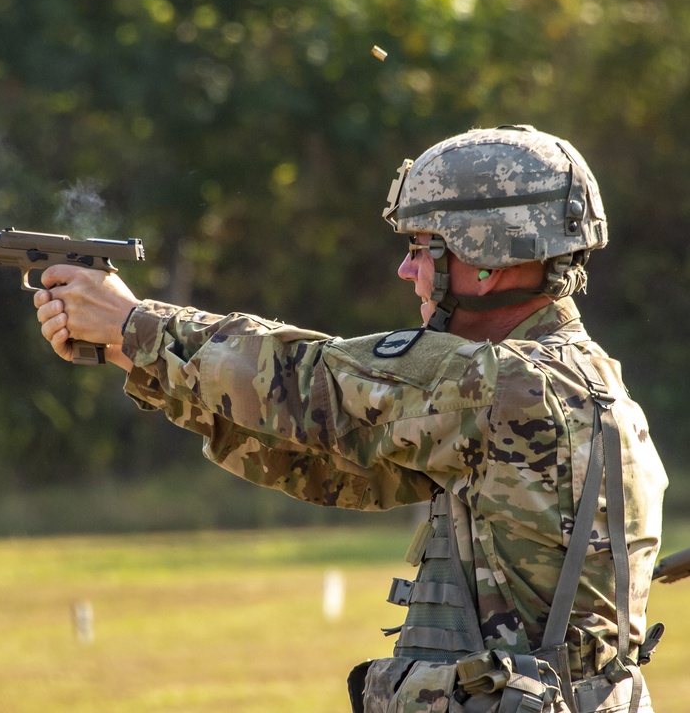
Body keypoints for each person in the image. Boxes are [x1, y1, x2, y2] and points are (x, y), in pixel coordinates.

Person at [33, 125, 667, 713]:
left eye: (423, 248)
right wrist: (133, 355)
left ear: (486, 258)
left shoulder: (502, 385)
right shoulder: (584, 379)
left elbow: (311, 382)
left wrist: (133, 322)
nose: (407, 270)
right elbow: (340, 466)